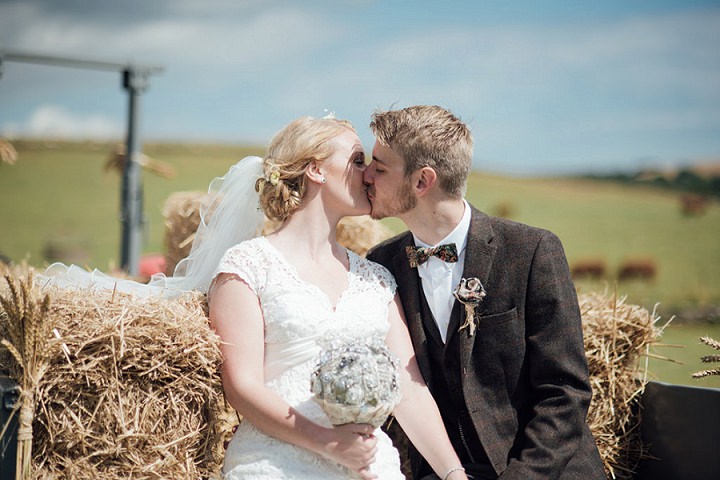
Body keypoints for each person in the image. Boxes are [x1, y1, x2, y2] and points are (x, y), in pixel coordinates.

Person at [208, 116, 470, 480]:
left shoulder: (375, 277)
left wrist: (453, 473)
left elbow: (409, 389)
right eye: (358, 160)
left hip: (369, 466)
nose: (369, 175)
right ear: (316, 170)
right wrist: (328, 443)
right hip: (276, 465)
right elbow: (241, 385)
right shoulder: (247, 267)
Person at [363, 105, 607, 480]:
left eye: (379, 168)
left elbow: (565, 391)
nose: (366, 176)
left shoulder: (532, 250)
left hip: (544, 471)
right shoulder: (381, 262)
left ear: (422, 181)